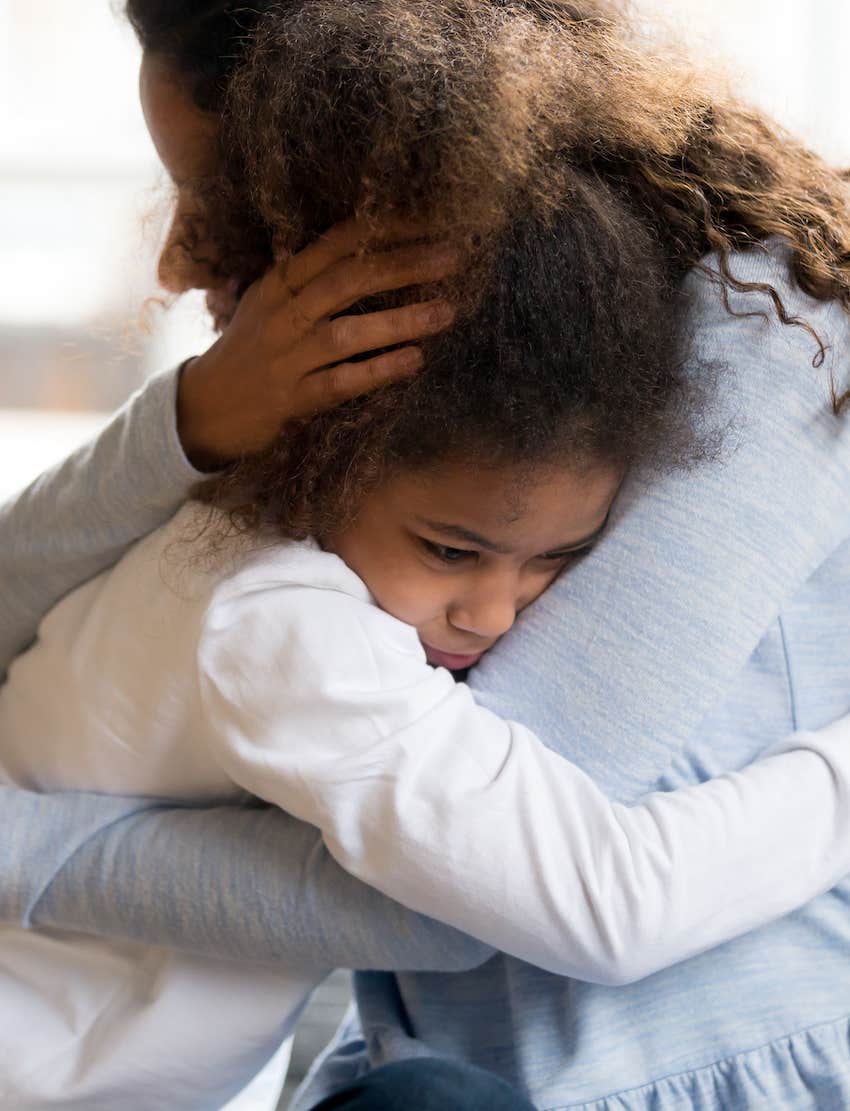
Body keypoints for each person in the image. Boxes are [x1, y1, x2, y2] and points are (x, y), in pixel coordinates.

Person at [2, 3, 850, 1110]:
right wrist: (194, 418)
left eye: (217, 195)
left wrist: (23, 844)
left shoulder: (771, 336)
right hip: (453, 1057)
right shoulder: (394, 404)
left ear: (373, 139)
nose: (174, 259)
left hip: (694, 1067)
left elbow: (479, 896)